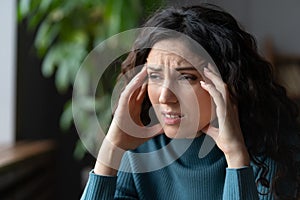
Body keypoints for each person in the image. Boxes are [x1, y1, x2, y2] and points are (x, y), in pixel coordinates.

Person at [81, 4, 300, 200]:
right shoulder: (140, 150)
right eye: (155, 76)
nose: (165, 97)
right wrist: (111, 150)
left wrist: (236, 156)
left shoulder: (274, 148)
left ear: (228, 82)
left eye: (186, 77)